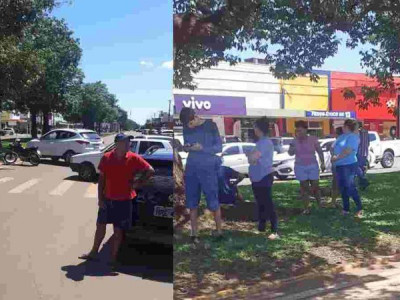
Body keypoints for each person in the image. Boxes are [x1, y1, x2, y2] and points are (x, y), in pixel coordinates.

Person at [79, 133, 155, 269]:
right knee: (100, 227)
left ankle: (113, 259)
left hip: (124, 201)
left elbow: (150, 170)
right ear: (117, 144)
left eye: (128, 143)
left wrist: (139, 183)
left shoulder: (133, 158)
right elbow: (101, 180)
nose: (128, 145)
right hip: (107, 200)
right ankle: (93, 253)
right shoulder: (107, 158)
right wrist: (100, 199)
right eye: (125, 142)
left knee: (118, 231)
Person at [180, 107, 223, 244]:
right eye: (186, 124)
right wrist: (187, 147)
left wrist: (202, 148)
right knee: (192, 202)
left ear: (195, 117)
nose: (188, 126)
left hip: (208, 168)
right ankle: (194, 234)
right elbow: (186, 146)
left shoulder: (211, 125)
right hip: (192, 167)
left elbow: (218, 148)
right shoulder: (186, 127)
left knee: (213, 199)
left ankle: (219, 231)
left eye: (189, 122)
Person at [247, 117, 279, 240]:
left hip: (264, 177)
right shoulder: (260, 142)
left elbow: (253, 158)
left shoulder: (265, 143)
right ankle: (262, 227)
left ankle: (274, 230)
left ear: (259, 128)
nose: (253, 129)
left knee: (268, 203)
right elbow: (253, 158)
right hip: (257, 177)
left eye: (255, 127)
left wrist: (250, 155)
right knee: (260, 203)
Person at [288, 121, 326, 214]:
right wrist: (293, 145)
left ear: (305, 130)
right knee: (304, 187)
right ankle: (306, 208)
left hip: (312, 165)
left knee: (315, 186)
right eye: (297, 130)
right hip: (300, 166)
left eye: (300, 130)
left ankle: (320, 204)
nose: (299, 132)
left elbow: (319, 151)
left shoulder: (313, 139)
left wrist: (323, 162)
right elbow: (290, 153)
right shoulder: (294, 141)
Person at [332, 119, 363, 218]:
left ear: (348, 127)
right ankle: (346, 209)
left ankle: (359, 208)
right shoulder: (341, 137)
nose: (343, 128)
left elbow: (348, 151)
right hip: (339, 166)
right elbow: (333, 147)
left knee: (350, 187)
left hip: (348, 165)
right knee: (343, 188)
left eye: (344, 126)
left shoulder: (353, 137)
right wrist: (333, 156)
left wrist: (336, 157)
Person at [329, 127, 343, 207]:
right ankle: (335, 202)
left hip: (337, 165)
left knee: (336, 184)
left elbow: (331, 149)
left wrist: (334, 156)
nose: (334, 135)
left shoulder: (338, 141)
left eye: (335, 133)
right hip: (340, 165)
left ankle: (334, 202)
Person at [357, 121, 370, 190]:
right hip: (365, 152)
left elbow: (357, 143)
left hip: (359, 153)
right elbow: (368, 142)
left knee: (358, 168)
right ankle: (362, 186)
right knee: (362, 169)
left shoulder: (358, 132)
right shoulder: (366, 132)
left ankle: (364, 182)